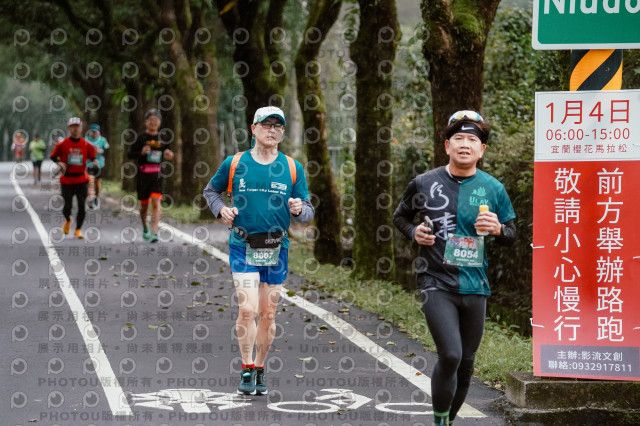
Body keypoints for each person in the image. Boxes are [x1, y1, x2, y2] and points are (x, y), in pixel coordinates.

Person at [393, 110, 516, 426]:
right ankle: (439, 422)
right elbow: (400, 217)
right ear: (447, 146)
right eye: (458, 138)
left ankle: (447, 420)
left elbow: (512, 234)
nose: (464, 144)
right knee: (450, 354)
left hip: (475, 285)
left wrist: (499, 229)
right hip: (435, 281)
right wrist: (414, 232)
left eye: (472, 140)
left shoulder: (494, 188)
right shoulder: (424, 182)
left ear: (481, 150)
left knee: (466, 363)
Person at [203, 106, 314, 396]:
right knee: (247, 309)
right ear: (254, 129)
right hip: (243, 244)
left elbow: (307, 210)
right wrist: (221, 209)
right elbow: (211, 191)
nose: (272, 130)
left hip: (277, 248)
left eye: (278, 126)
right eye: (267, 124)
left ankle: (261, 367)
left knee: (267, 314)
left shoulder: (292, 167)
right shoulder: (235, 163)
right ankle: (246, 366)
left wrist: (299, 209)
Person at [128, 108, 174, 243]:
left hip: (157, 174)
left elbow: (169, 153)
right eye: (151, 119)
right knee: (144, 206)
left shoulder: (163, 138)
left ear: (160, 122)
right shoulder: (141, 137)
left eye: (156, 119)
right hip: (143, 175)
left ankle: (154, 232)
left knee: (156, 201)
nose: (153, 122)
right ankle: (145, 227)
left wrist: (169, 155)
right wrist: (141, 152)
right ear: (146, 122)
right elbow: (130, 154)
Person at [50, 117, 98, 239]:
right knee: (67, 206)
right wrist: (60, 163)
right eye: (73, 126)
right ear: (69, 128)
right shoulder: (62, 144)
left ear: (81, 128)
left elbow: (93, 158)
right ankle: (68, 219)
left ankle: (78, 230)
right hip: (67, 180)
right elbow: (53, 156)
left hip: (81, 180)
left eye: (77, 126)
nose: (75, 129)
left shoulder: (86, 145)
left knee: (82, 205)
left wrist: (95, 162)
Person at [85, 123, 110, 209]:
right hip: (89, 164)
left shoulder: (103, 140)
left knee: (97, 184)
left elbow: (108, 151)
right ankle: (91, 200)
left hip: (99, 165)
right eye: (92, 132)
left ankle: (96, 197)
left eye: (95, 132)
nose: (94, 133)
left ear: (99, 132)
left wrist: (100, 151)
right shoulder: (86, 140)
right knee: (90, 182)